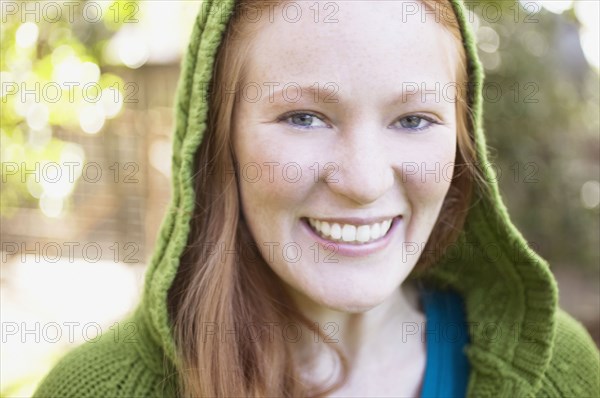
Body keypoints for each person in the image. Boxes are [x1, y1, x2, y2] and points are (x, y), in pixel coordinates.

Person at [32, 0, 600, 397]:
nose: (364, 180)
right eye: (304, 117)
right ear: (218, 140)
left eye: (413, 119)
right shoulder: (95, 389)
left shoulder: (560, 373)